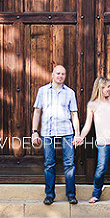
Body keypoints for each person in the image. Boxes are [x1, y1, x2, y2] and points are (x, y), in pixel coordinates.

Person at [31, 65, 83, 205]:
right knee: (49, 164)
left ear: (65, 76)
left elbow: (74, 114)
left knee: (69, 164)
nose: (60, 76)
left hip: (66, 131)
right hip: (47, 132)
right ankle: (49, 195)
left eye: (63, 74)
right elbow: (37, 112)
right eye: (58, 73)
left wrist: (77, 134)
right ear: (52, 75)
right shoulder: (42, 91)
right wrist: (34, 132)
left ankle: (71, 195)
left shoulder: (70, 93)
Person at [77, 77, 110, 205]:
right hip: (103, 140)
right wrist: (80, 137)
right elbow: (88, 124)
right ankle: (96, 194)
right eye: (108, 87)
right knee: (101, 168)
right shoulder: (92, 104)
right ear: (100, 88)